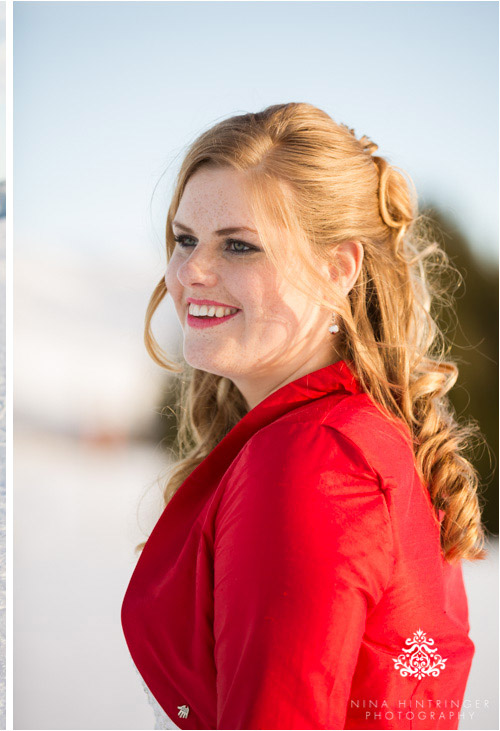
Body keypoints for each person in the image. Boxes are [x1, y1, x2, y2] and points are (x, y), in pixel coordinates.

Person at [121, 104, 486, 730]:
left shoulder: (312, 459)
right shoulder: (353, 432)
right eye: (185, 239)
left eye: (239, 245)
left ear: (338, 268)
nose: (190, 273)